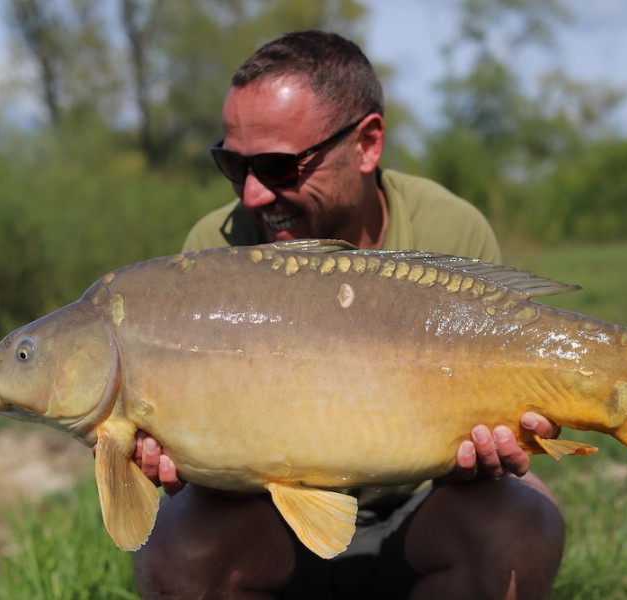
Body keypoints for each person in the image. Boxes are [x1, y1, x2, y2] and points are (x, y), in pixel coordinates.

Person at [132, 30, 565, 600]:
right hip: (272, 525)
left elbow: (496, 431)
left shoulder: (451, 231)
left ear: (367, 144)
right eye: (233, 167)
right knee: (173, 548)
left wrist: (492, 451)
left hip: (420, 512)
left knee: (523, 523)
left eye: (279, 167)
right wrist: (187, 459)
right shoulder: (214, 249)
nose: (255, 195)